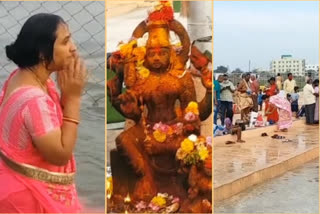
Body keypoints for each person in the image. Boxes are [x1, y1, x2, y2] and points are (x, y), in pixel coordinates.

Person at [0, 14, 87, 213]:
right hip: (26, 198)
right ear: (42, 53)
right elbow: (60, 155)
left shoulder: (21, 76)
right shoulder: (35, 101)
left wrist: (65, 96)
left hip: (10, 180)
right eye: (65, 42)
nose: (73, 48)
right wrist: (73, 98)